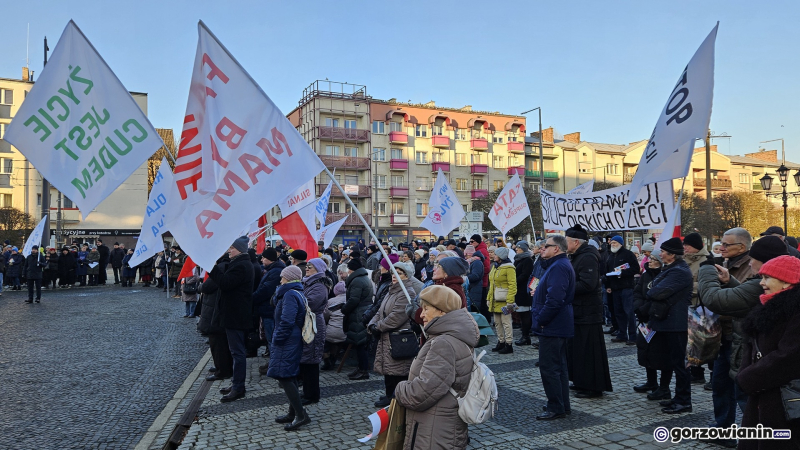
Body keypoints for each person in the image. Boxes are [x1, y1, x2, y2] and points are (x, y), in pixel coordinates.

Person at [697, 234, 787, 447]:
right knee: (723, 387)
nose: (749, 263)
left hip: (746, 346)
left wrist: (706, 270)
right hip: (732, 339)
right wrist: (730, 281)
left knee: (746, 396)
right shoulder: (763, 280)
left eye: (752, 259)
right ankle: (725, 430)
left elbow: (716, 300)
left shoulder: (763, 283)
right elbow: (744, 296)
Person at [394, 285, 480, 450]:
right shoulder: (451, 336)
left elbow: (422, 393)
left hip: (434, 431)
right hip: (440, 425)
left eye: (426, 309)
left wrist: (400, 389)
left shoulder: (443, 343)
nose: (422, 314)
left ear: (441, 310)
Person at [737, 255, 800, 449]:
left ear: (786, 281)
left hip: (784, 398)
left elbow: (789, 356)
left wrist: (749, 377)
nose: (761, 283)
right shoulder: (768, 307)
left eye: (767, 278)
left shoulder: (795, 311)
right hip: (763, 392)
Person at [564, 225, 612, 398]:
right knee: (578, 349)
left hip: (588, 311)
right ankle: (581, 381)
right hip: (579, 310)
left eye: (566, 241)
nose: (564, 244)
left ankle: (592, 386)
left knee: (589, 351)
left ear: (576, 242)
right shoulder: (577, 256)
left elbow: (588, 284)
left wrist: (564, 287)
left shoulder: (588, 257)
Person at [646, 237, 693, 414]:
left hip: (676, 324)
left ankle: (684, 401)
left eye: (663, 252)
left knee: (680, 364)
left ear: (672, 255)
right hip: (668, 322)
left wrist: (652, 289)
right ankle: (677, 397)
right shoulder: (672, 268)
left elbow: (655, 292)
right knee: (672, 361)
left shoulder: (679, 271)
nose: (660, 254)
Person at [532, 235, 575, 420]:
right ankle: (562, 404)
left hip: (553, 324)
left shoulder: (559, 267)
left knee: (550, 368)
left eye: (546, 246)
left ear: (556, 248)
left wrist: (541, 319)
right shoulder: (557, 265)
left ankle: (556, 406)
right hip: (556, 324)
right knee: (559, 367)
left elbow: (555, 298)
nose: (542, 249)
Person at [367, 261, 417, 408]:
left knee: (398, 369)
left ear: (406, 276)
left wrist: (378, 327)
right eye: (393, 273)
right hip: (387, 335)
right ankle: (389, 394)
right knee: (388, 368)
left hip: (398, 337)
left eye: (399, 273)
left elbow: (397, 316)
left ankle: (395, 397)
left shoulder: (407, 292)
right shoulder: (392, 290)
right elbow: (380, 311)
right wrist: (372, 324)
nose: (395, 276)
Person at [211, 237, 254, 403]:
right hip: (235, 314)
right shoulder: (239, 263)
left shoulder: (241, 265)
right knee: (235, 351)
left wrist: (212, 267)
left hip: (236, 315)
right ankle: (236, 383)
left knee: (237, 352)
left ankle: (238, 387)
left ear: (240, 249)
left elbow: (225, 283)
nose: (229, 250)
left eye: (232, 248)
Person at [269, 265, 312, 431]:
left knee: (284, 375)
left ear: (289, 277)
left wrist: (278, 338)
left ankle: (301, 415)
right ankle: (293, 412)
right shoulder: (293, 292)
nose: (280, 280)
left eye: (282, 277)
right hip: (291, 338)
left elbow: (287, 320)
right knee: (289, 374)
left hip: (287, 340)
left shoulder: (289, 294)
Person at [632, 249, 674, 401]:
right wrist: (638, 307)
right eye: (650, 259)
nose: (649, 261)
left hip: (659, 319)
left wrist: (646, 309)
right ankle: (651, 381)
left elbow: (659, 298)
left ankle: (664, 387)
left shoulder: (666, 275)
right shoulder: (646, 275)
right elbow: (637, 293)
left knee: (662, 353)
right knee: (646, 349)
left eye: (653, 259)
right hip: (645, 319)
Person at [682, 232, 715, 385]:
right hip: (688, 305)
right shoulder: (683, 260)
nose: (685, 248)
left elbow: (706, 284)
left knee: (706, 341)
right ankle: (696, 372)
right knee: (691, 341)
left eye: (687, 245)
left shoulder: (707, 260)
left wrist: (686, 286)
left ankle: (713, 375)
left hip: (702, 307)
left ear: (696, 246)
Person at [198, 255, 233, 382]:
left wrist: (200, 287)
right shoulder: (228, 265)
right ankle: (223, 367)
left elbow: (207, 286)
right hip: (217, 308)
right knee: (222, 342)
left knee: (218, 343)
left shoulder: (221, 267)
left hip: (213, 309)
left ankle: (222, 370)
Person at [300, 258, 330, 406]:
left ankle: (312, 394)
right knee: (306, 359)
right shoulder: (309, 282)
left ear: (318, 269)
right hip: (309, 322)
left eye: (310, 267)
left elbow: (310, 303)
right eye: (307, 266)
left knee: (311, 360)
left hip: (314, 324)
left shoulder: (319, 285)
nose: (307, 268)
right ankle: (307, 391)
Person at [604, 235, 641, 345]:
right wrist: (608, 286)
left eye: (615, 243)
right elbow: (607, 272)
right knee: (618, 312)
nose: (612, 244)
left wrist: (622, 273)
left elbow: (636, 269)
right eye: (612, 243)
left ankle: (633, 336)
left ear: (620, 244)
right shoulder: (610, 256)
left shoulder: (628, 254)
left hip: (626, 287)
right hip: (615, 288)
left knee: (629, 312)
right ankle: (622, 334)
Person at [342, 257, 374, 381]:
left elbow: (354, 300)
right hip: (362, 312)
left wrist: (344, 308)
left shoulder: (357, 280)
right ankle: (361, 367)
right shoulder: (363, 278)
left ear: (351, 269)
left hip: (358, 314)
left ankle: (363, 370)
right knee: (360, 343)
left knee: (360, 343)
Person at [253, 248, 285, 374]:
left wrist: (253, 298)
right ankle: (273, 363)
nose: (261, 260)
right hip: (268, 310)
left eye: (263, 257)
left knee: (272, 339)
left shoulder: (275, 271)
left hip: (270, 310)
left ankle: (274, 365)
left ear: (269, 259)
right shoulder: (272, 270)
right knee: (270, 338)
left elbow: (266, 290)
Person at [487, 246, 517, 354]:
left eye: (495, 254)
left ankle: (509, 344)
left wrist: (510, 301)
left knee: (506, 322)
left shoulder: (509, 268)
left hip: (504, 299)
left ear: (500, 256)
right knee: (497, 322)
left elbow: (512, 285)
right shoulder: (495, 266)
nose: (493, 255)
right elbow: (492, 284)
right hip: (495, 299)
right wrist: (489, 298)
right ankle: (501, 341)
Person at [322, 278, 348, 371]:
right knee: (337, 343)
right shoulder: (350, 300)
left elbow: (325, 316)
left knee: (326, 343)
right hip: (345, 333)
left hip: (331, 332)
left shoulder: (331, 301)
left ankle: (327, 360)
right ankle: (333, 359)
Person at [513, 241, 534, 346]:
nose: (516, 249)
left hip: (524, 290)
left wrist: (514, 281)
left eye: (519, 248)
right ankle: (524, 335)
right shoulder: (518, 259)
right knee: (521, 313)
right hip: (518, 290)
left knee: (525, 313)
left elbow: (526, 274)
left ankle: (526, 336)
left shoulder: (528, 260)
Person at [469, 234, 492, 323]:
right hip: (480, 280)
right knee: (481, 302)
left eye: (472, 241)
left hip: (481, 281)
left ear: (477, 241)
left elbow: (486, 267)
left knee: (482, 303)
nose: (471, 243)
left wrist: (478, 273)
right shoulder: (477, 250)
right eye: (470, 241)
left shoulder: (482, 251)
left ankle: (486, 321)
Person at [464, 245, 485, 313]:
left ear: (470, 254)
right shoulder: (472, 262)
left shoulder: (477, 262)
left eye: (466, 255)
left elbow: (475, 276)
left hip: (475, 288)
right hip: (473, 288)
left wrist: (464, 277)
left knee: (474, 309)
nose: (465, 257)